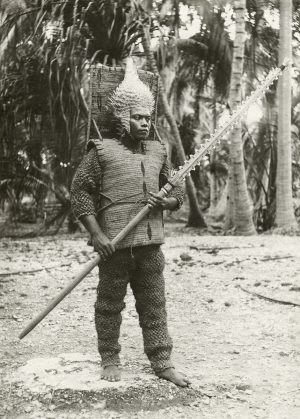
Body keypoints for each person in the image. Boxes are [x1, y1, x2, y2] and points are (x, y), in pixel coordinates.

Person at [71, 58, 190, 387]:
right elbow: (80, 194)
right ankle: (109, 358)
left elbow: (177, 190)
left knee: (154, 304)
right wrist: (96, 235)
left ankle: (162, 361)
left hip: (151, 244)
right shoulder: (101, 151)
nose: (143, 122)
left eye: (146, 117)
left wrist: (165, 202)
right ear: (122, 118)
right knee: (109, 304)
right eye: (136, 116)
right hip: (115, 244)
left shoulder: (157, 151)